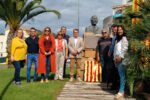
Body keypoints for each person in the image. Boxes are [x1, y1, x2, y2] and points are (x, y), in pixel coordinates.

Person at [114, 25, 128, 99]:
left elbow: (125, 48)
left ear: (123, 30)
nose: (119, 31)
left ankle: (121, 91)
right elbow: (115, 50)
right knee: (120, 76)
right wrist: (114, 59)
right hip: (117, 59)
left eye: (121, 29)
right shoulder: (117, 40)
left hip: (122, 60)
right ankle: (121, 91)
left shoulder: (124, 38)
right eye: (118, 30)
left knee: (122, 76)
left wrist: (121, 57)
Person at [108, 24, 120, 90]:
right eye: (112, 30)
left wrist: (110, 51)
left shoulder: (118, 37)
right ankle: (114, 85)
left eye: (114, 30)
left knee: (117, 72)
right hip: (113, 55)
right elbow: (112, 46)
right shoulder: (114, 36)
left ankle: (116, 86)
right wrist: (110, 52)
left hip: (118, 56)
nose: (113, 31)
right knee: (114, 71)